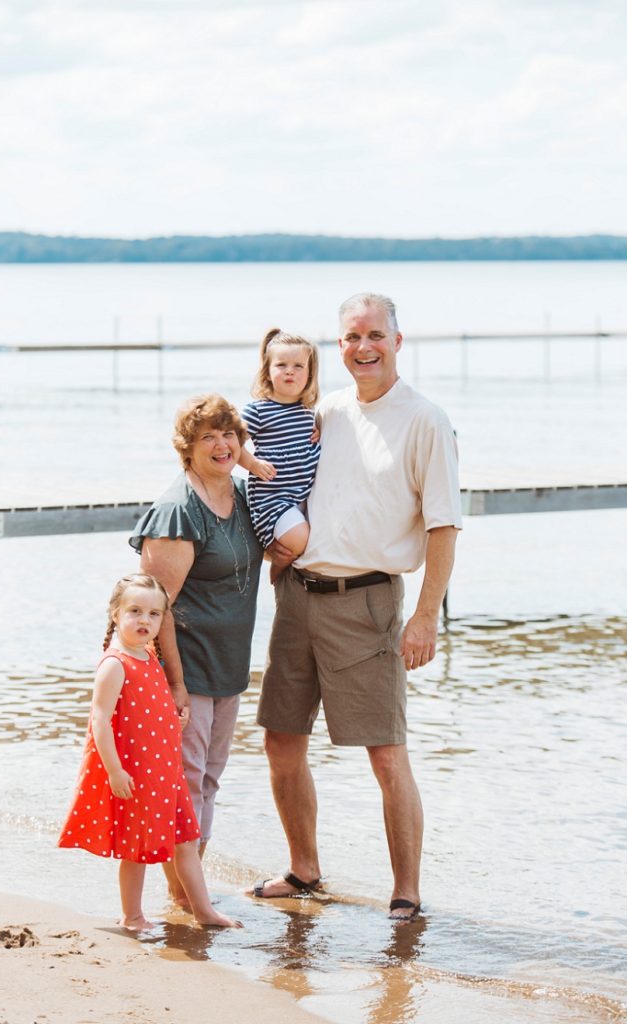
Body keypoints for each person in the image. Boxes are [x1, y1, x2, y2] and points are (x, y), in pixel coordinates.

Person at [252, 293, 462, 922]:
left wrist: (425, 617)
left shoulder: (426, 419)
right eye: (350, 337)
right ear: (337, 347)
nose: (362, 347)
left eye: (374, 335)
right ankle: (304, 870)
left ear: (398, 340)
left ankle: (406, 893)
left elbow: (444, 526)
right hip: (297, 597)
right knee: (280, 739)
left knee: (385, 751)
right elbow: (276, 473)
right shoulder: (326, 411)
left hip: (369, 603)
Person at [129, 395, 264, 906]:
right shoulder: (178, 511)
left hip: (227, 668)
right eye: (208, 436)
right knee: (185, 784)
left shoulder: (244, 496)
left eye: (229, 434)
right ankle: (184, 894)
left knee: (209, 778)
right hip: (186, 671)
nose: (222, 444)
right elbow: (152, 607)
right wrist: (176, 683)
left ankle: (189, 889)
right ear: (187, 449)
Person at [58, 573, 239, 930]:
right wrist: (114, 771)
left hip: (165, 774)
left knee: (186, 840)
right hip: (137, 775)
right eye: (135, 611)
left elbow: (147, 710)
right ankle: (133, 916)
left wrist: (175, 719)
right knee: (136, 850)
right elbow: (100, 721)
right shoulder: (115, 664)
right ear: (116, 614)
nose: (145, 620)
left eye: (154, 614)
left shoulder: (148, 656)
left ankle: (205, 912)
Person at [238, 328, 321, 581]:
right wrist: (251, 463)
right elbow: (231, 445)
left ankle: (291, 577)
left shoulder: (308, 411)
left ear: (309, 374)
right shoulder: (259, 410)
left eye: (298, 366)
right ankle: (276, 578)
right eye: (281, 364)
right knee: (298, 541)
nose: (289, 371)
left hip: (301, 496)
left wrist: (319, 435)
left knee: (314, 539)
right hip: (272, 499)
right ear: (267, 371)